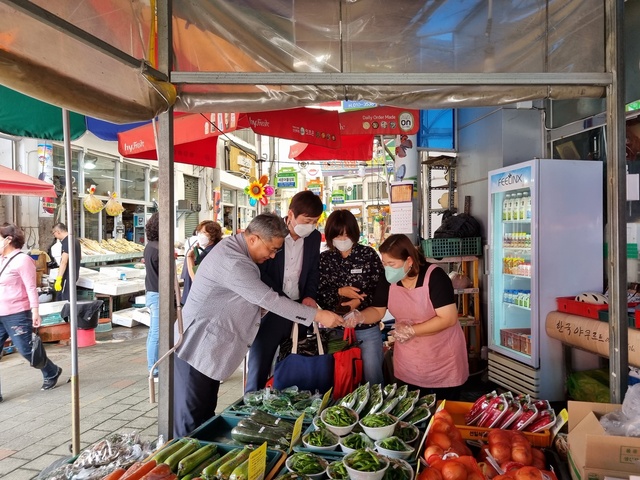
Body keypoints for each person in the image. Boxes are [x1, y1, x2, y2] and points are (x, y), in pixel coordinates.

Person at [174, 213, 344, 437]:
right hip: (197, 349)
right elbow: (268, 299)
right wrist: (318, 316)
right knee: (191, 422)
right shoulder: (233, 261)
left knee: (205, 416)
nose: (273, 256)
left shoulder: (240, 252)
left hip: (211, 350)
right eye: (272, 249)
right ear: (253, 239)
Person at [351, 234, 468, 399]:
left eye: (392, 264)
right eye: (384, 264)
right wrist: (359, 317)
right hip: (410, 359)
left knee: (444, 413)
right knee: (412, 409)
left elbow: (448, 318)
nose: (387, 269)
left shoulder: (435, 277)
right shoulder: (388, 280)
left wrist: (412, 330)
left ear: (409, 261)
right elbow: (378, 311)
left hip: (442, 357)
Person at [245, 191, 323, 393]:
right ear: (290, 214)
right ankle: (252, 402)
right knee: (261, 360)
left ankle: (286, 401)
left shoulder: (314, 237)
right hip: (271, 308)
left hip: (299, 306)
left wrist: (310, 295)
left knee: (294, 360)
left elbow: (314, 269)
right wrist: (281, 299)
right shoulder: (272, 232)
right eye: (307, 220)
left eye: (315, 221)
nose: (311, 225)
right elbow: (260, 272)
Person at [316, 210, 386, 385]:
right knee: (340, 378)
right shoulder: (324, 259)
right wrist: (340, 292)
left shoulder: (368, 255)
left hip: (367, 328)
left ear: (354, 234)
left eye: (346, 235)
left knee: (373, 377)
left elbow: (379, 289)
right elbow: (318, 292)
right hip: (335, 328)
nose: (342, 240)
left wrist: (358, 302)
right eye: (338, 236)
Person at [0, 224, 63, 395]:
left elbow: (30, 287)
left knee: (27, 349)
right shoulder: (1, 260)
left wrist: (35, 311)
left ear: (8, 240)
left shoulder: (22, 260)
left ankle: (51, 371)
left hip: (17, 313)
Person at [181, 220, 223, 305]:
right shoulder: (210, 250)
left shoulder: (210, 253)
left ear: (213, 235)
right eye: (199, 232)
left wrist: (189, 257)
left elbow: (196, 279)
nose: (200, 235)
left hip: (197, 300)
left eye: (203, 232)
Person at [143, 213, 160, 379]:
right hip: (157, 293)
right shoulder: (158, 249)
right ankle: (154, 370)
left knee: (153, 332)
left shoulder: (150, 246)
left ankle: (153, 366)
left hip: (152, 292)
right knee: (156, 332)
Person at [51, 222, 81, 302]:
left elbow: (64, 261)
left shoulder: (67, 242)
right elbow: (80, 257)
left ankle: (66, 315)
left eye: (54, 233)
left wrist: (59, 278)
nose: (54, 236)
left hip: (67, 276)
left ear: (58, 232)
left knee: (64, 300)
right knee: (70, 298)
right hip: (74, 275)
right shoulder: (75, 240)